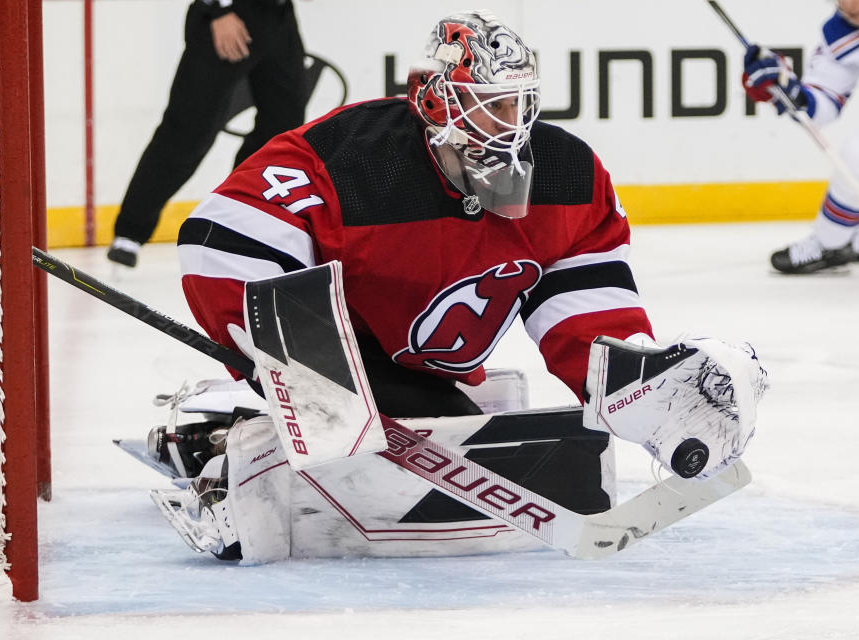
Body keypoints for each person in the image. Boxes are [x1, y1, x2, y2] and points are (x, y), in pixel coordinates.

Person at [163, 11, 767, 562]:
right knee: (361, 450)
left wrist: (640, 386)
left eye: (517, 104)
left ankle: (246, 425)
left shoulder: (569, 176)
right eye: (489, 104)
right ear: (436, 100)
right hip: (344, 355)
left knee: (441, 439)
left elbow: (586, 308)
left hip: (425, 373)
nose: (510, 123)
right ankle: (217, 440)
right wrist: (295, 361)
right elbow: (221, 239)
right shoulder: (349, 156)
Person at [107, 0, 308, 268]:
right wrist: (219, 10)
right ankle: (130, 232)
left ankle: (242, 219)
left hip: (278, 15)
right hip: (229, 15)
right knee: (188, 130)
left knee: (281, 126)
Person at [743, 0, 859, 274]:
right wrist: (786, 89)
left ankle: (844, 241)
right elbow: (822, 105)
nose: (848, 5)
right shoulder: (842, 33)